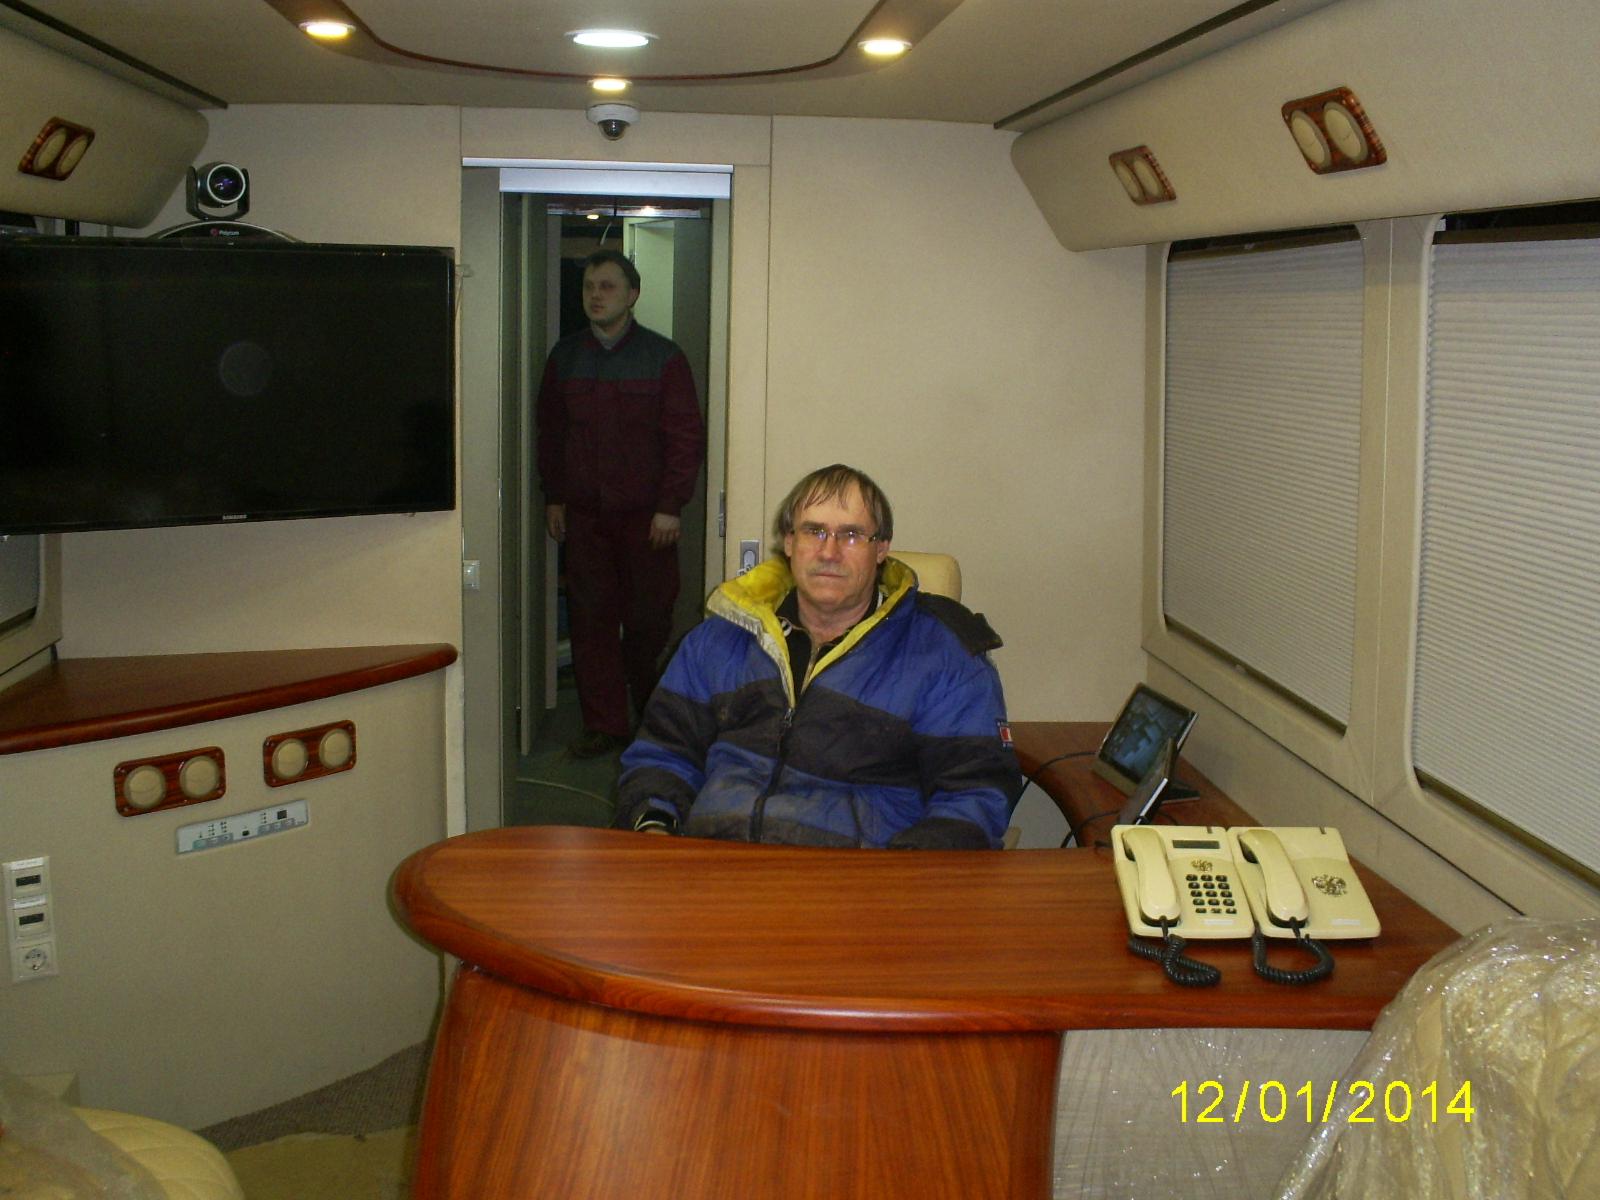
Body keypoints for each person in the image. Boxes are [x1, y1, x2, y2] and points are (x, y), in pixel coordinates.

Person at [613, 464, 1020, 848]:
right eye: (814, 531)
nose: (829, 552)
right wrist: (655, 825)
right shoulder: (719, 639)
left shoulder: (944, 655)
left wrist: (903, 876)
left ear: (881, 549)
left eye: (851, 535)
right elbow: (663, 753)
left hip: (858, 877)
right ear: (789, 542)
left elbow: (974, 793)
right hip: (714, 860)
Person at [537, 248, 705, 758]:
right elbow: (551, 434)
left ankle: (651, 711)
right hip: (586, 518)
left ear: (632, 295)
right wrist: (554, 497)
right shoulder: (565, 358)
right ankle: (606, 726)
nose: (596, 296)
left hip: (648, 520)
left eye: (607, 286)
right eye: (589, 287)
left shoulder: (663, 357)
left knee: (650, 620)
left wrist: (671, 504)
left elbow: (685, 437)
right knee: (591, 622)